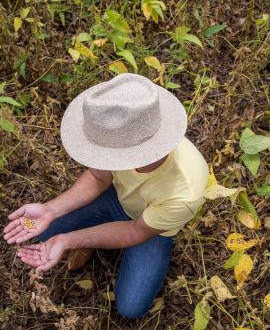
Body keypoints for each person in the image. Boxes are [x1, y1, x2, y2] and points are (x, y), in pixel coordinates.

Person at [3, 73, 209, 318]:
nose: (104, 158)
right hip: (114, 198)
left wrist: (67, 240)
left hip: (149, 226)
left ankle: (88, 240)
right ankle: (89, 237)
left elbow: (134, 231)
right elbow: (98, 178)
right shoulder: (120, 135)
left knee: (131, 308)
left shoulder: (185, 191)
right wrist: (50, 210)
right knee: (44, 231)